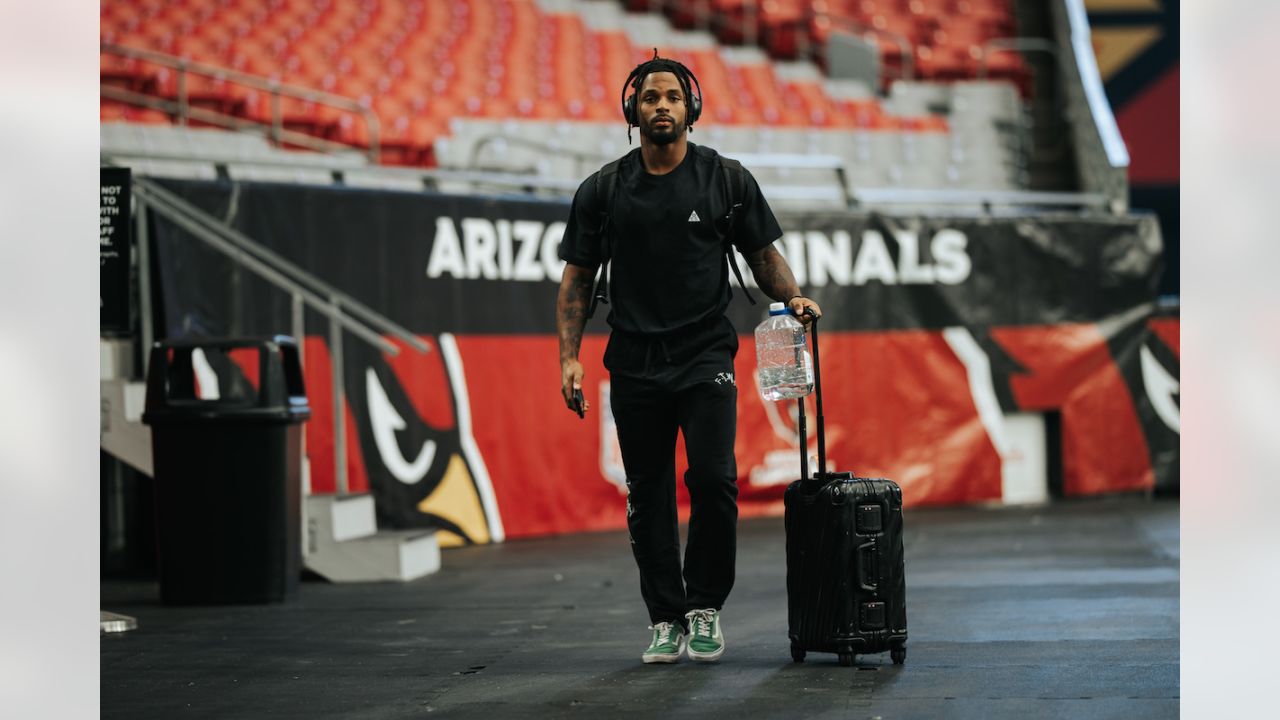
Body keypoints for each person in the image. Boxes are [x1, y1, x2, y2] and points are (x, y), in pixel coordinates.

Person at [555, 52, 822, 664]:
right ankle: (665, 619)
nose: (662, 107)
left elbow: (763, 257)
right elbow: (576, 281)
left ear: (691, 107)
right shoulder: (602, 190)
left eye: (673, 97)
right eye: (650, 98)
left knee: (713, 478)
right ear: (633, 110)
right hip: (634, 361)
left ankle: (703, 608)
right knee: (647, 493)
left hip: (706, 354)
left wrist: (794, 294)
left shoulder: (726, 181)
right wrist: (569, 358)